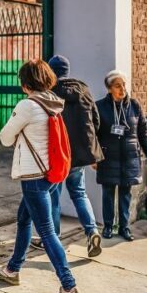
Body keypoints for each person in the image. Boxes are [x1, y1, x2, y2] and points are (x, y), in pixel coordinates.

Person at [0, 59, 81, 293]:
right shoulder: (52, 102)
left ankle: (68, 285)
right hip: (49, 174)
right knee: (23, 219)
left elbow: (5, 138)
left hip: (33, 178)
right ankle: (12, 269)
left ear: (25, 82)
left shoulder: (28, 105)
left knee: (46, 232)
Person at [31, 55, 104, 257]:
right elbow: (95, 121)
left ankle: (52, 238)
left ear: (51, 71)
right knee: (79, 193)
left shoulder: (48, 93)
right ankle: (92, 231)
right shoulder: (83, 90)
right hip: (79, 155)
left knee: (53, 196)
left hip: (57, 155)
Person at [95, 70, 147, 242]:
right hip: (108, 157)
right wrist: (94, 157)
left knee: (125, 193)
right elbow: (93, 134)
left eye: (123, 85)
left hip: (130, 157)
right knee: (108, 192)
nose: (122, 89)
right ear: (109, 89)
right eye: (117, 86)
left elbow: (143, 132)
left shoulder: (135, 106)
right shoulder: (99, 107)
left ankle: (124, 227)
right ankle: (108, 226)